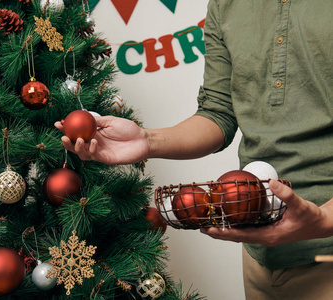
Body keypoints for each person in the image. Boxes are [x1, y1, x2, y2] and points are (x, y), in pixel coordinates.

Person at [56, 0, 333, 299]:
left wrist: (325, 219)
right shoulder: (226, 4)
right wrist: (146, 141)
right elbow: (219, 112)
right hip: (258, 254)